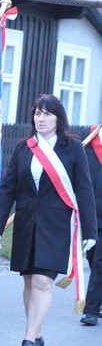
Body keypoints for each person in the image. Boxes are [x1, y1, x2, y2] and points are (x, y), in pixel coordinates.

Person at [0, 95, 96, 346]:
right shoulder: (24, 148)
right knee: (28, 282)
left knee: (42, 281)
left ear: (59, 119)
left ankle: (27, 339)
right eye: (37, 113)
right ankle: (36, 335)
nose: (41, 118)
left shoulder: (72, 148)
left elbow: (84, 190)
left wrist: (90, 231)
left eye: (47, 114)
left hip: (57, 224)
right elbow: (8, 188)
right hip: (26, 222)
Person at [81, 125, 102, 326]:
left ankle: (91, 310)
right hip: (90, 211)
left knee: (99, 261)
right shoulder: (89, 136)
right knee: (91, 255)